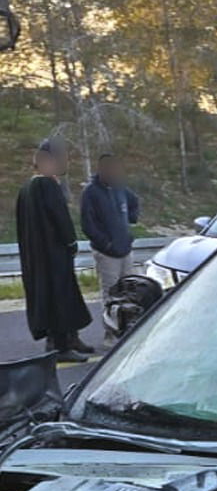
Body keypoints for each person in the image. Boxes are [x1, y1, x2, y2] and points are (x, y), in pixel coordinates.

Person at [15, 138, 92, 362]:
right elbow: (60, 218)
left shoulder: (26, 188)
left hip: (37, 257)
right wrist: (71, 242)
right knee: (60, 297)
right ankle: (62, 347)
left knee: (52, 297)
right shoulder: (46, 185)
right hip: (54, 255)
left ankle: (68, 338)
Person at [80, 153, 140, 331]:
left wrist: (130, 223)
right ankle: (111, 333)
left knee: (130, 291)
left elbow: (134, 202)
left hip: (125, 250)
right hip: (106, 254)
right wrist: (105, 244)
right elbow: (87, 225)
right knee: (111, 295)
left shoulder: (121, 189)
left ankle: (128, 329)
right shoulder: (91, 192)